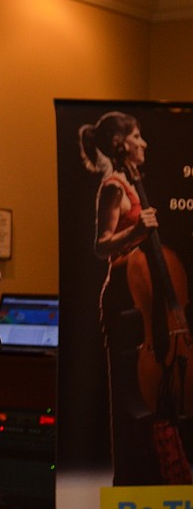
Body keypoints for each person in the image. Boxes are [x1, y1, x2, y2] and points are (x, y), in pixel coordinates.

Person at [79, 110, 191, 485]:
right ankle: (133, 475)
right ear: (119, 144)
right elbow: (100, 244)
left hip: (139, 294)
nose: (143, 143)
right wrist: (136, 232)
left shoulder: (131, 181)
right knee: (130, 397)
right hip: (124, 297)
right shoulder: (112, 186)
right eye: (137, 136)